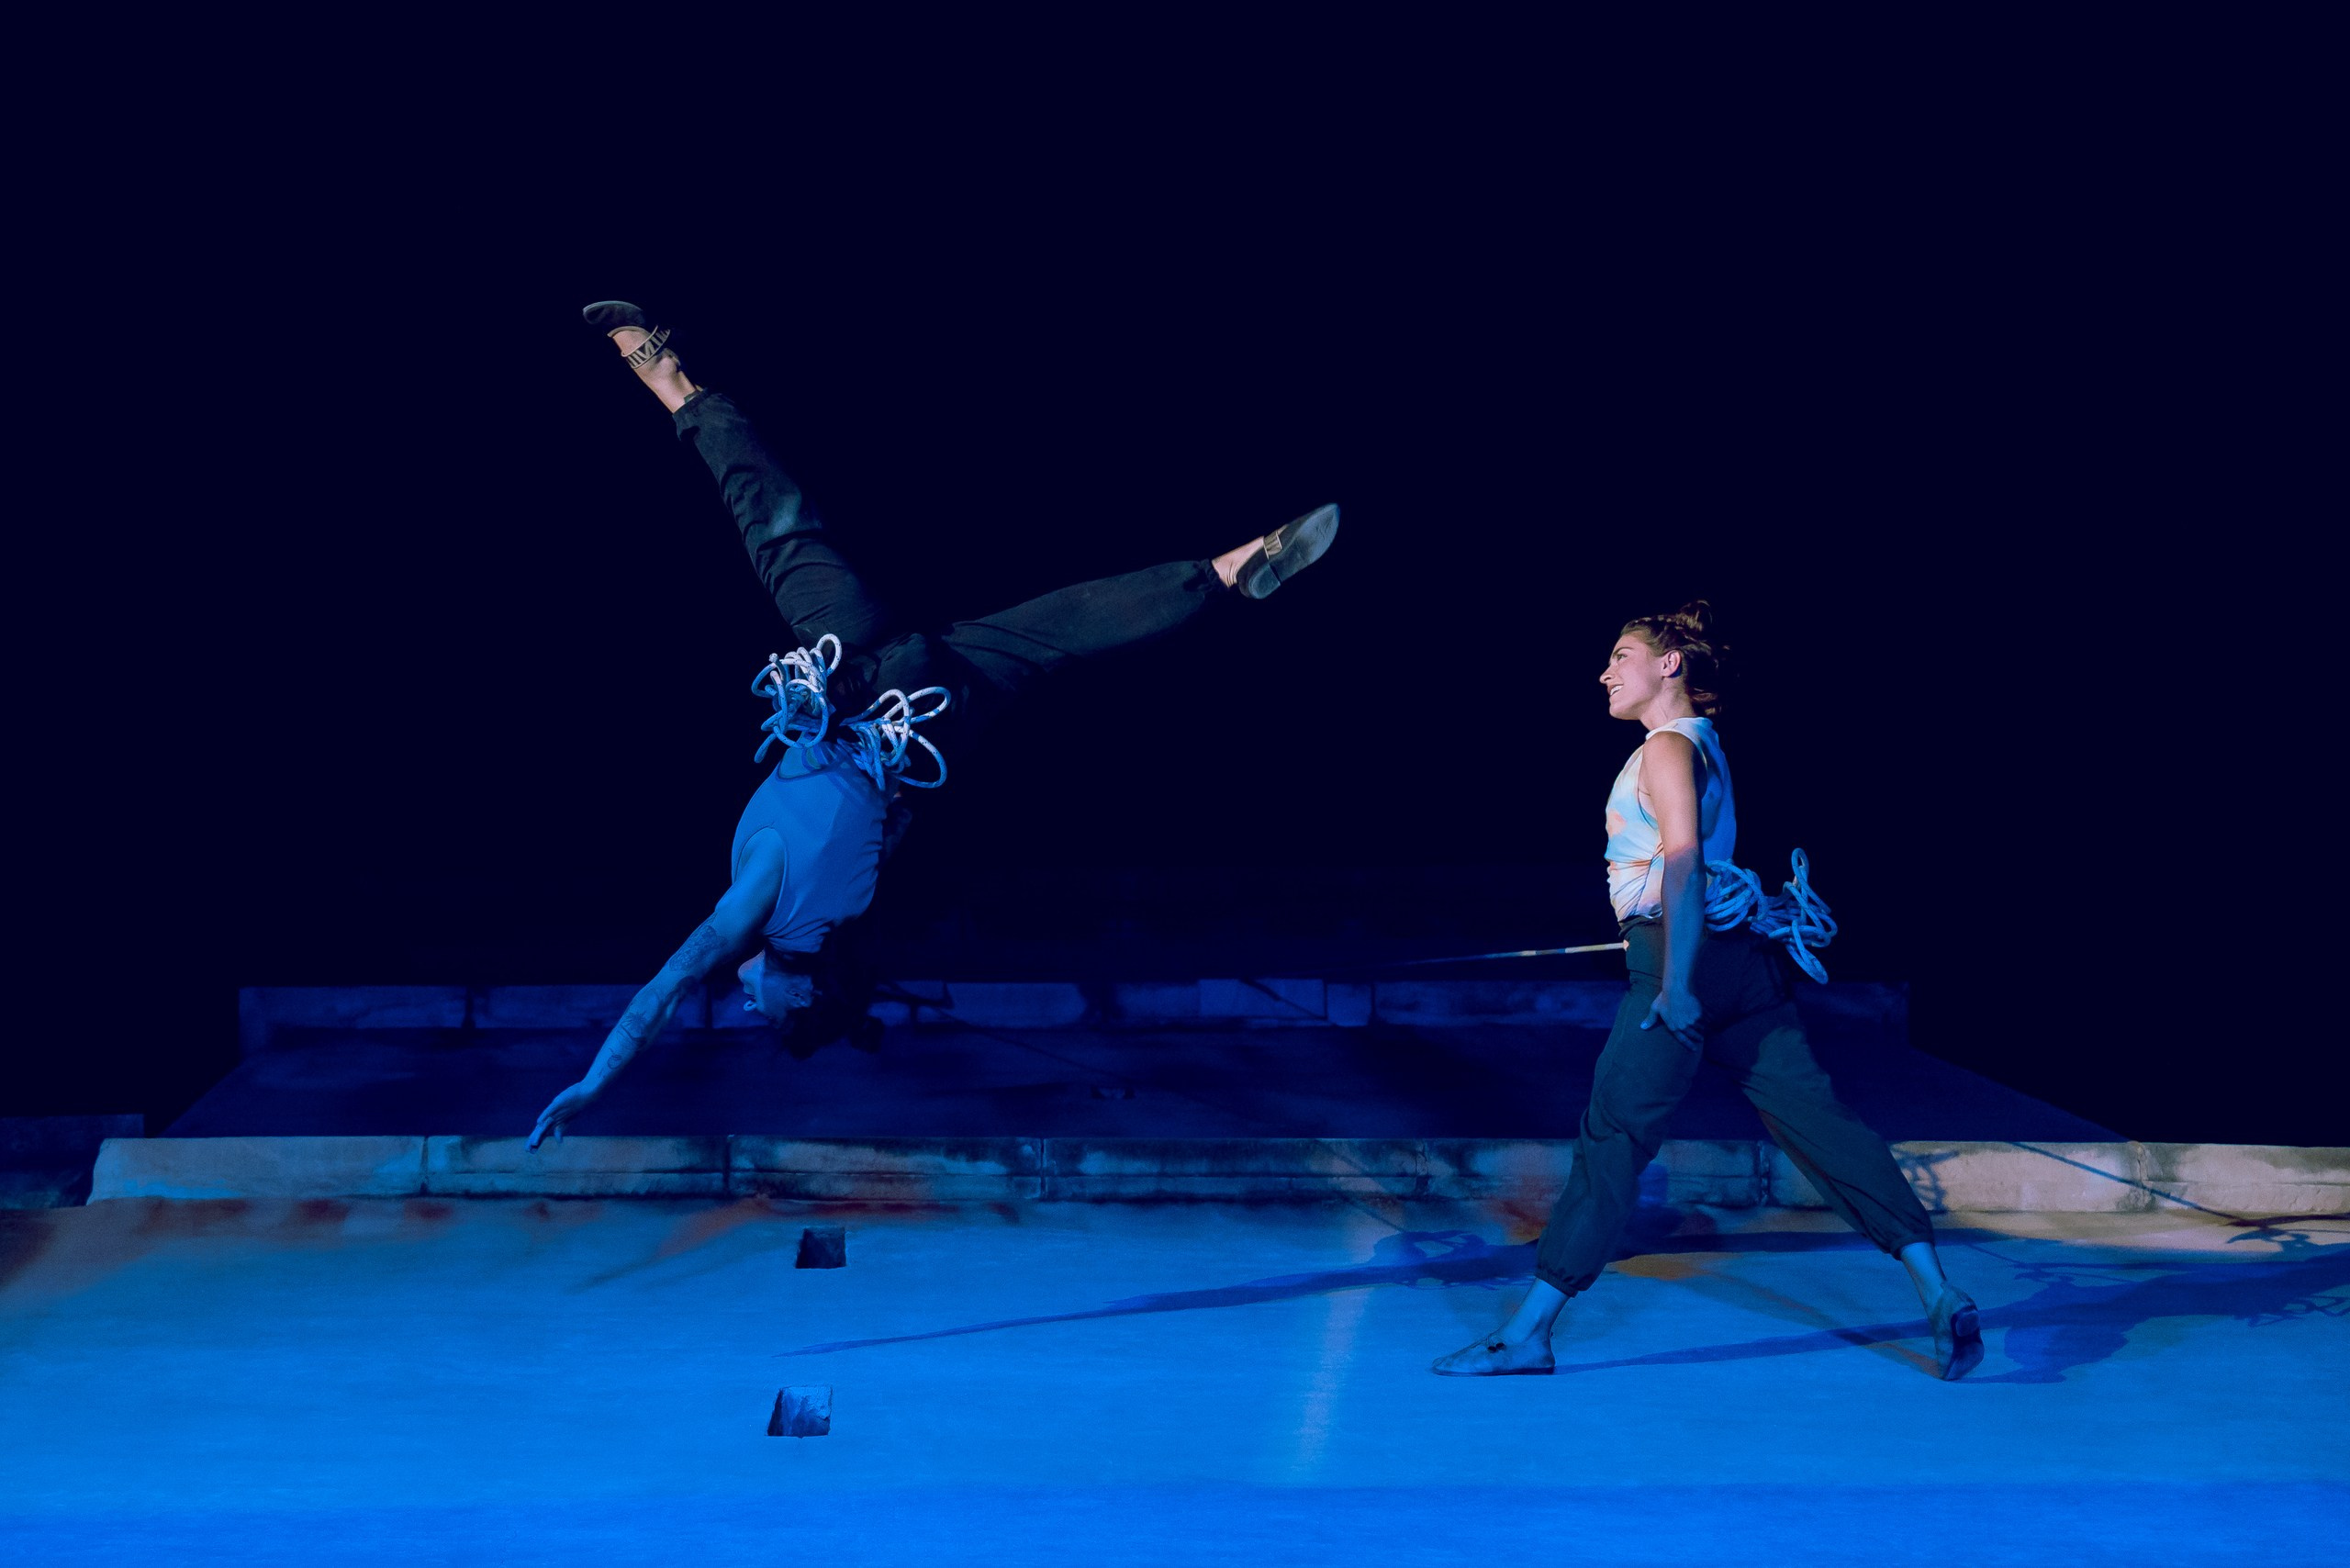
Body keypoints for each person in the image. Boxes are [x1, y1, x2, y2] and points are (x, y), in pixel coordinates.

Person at [528, 302, 1339, 1147]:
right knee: (777, 532)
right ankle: (670, 382)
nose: (746, 1002)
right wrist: (592, 1084)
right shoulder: (766, 910)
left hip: (923, 716)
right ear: (799, 994)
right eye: (767, 1015)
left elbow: (889, 819)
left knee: (1051, 635)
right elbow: (667, 985)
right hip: (867, 690)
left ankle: (1220, 573)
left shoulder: (849, 910)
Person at [1431, 602, 1983, 1381]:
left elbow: (1684, 861)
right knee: (1821, 1124)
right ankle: (1937, 1286)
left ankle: (1527, 1334)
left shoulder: (1663, 747)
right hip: (1743, 968)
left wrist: (1678, 986)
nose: (1606, 670)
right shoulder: (1706, 745)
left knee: (1614, 1136)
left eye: (1622, 654)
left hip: (1678, 960)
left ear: (1669, 665)